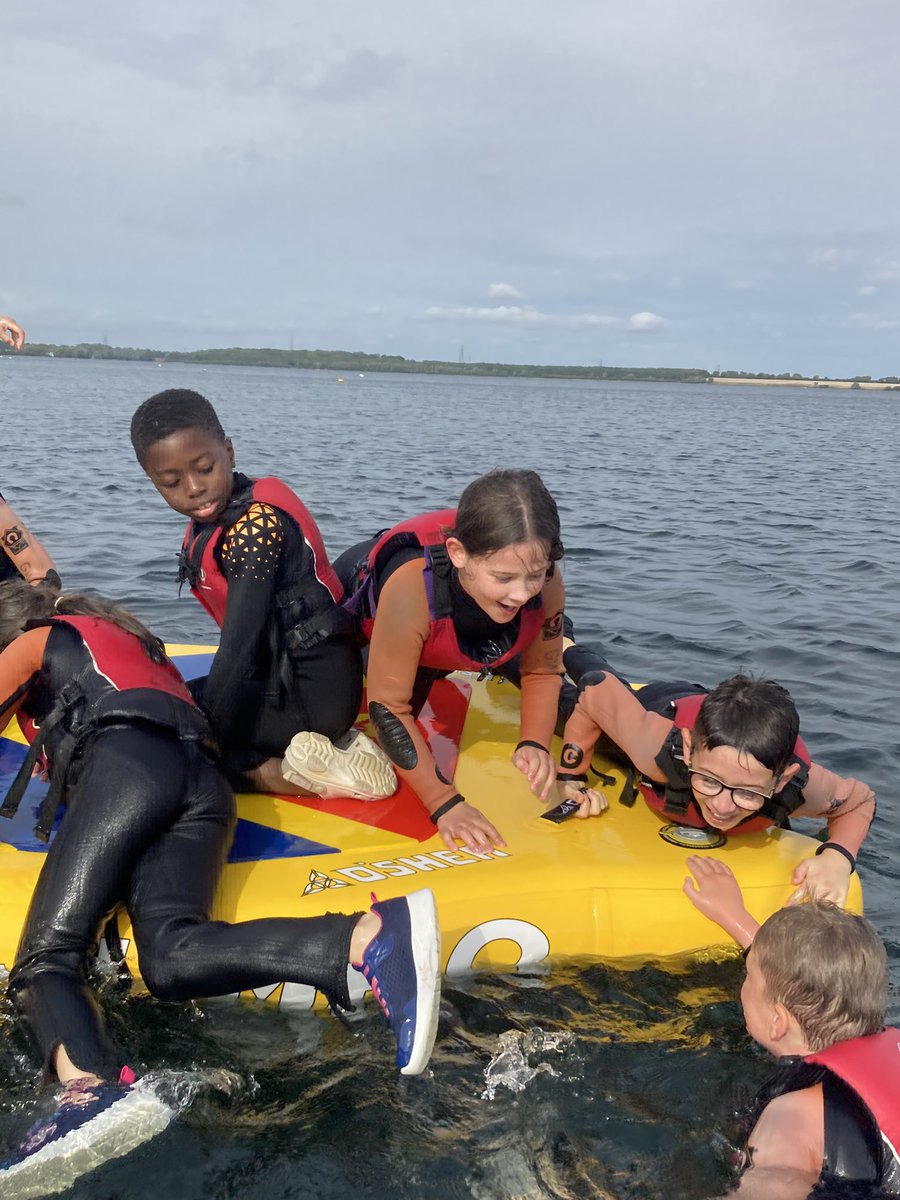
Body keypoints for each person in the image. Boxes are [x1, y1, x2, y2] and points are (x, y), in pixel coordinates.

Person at [0, 578, 441, 1187]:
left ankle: (89, 1092)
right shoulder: (132, 647)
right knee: (171, 957)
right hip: (204, 791)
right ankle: (365, 939)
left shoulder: (36, 643)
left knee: (47, 960)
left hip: (129, 769)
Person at [130, 389, 394, 801]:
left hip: (311, 701)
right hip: (282, 684)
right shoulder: (225, 510)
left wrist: (203, 731)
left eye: (205, 468)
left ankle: (294, 775)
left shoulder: (256, 530)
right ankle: (311, 758)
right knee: (158, 711)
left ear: (229, 453)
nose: (195, 488)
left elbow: (239, 647)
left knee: (165, 743)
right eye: (172, 482)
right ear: (152, 481)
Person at [333, 469, 566, 854]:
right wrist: (445, 804)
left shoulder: (546, 581)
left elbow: (542, 669)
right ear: (458, 553)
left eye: (535, 575)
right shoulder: (413, 586)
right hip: (361, 622)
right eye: (505, 577)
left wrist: (535, 742)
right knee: (335, 720)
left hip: (447, 632)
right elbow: (387, 709)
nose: (523, 593)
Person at [554, 646, 874, 905]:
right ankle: (564, 644)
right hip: (662, 705)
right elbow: (595, 687)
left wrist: (838, 858)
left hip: (723, 720)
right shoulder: (658, 748)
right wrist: (571, 778)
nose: (722, 807)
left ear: (781, 780)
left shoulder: (798, 789)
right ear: (689, 752)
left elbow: (859, 801)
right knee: (553, 699)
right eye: (709, 781)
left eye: (748, 793)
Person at [683, 857, 900, 1198]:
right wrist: (734, 916)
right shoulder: (887, 1056)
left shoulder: (791, 1118)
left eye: (748, 977)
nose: (744, 981)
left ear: (777, 1022)